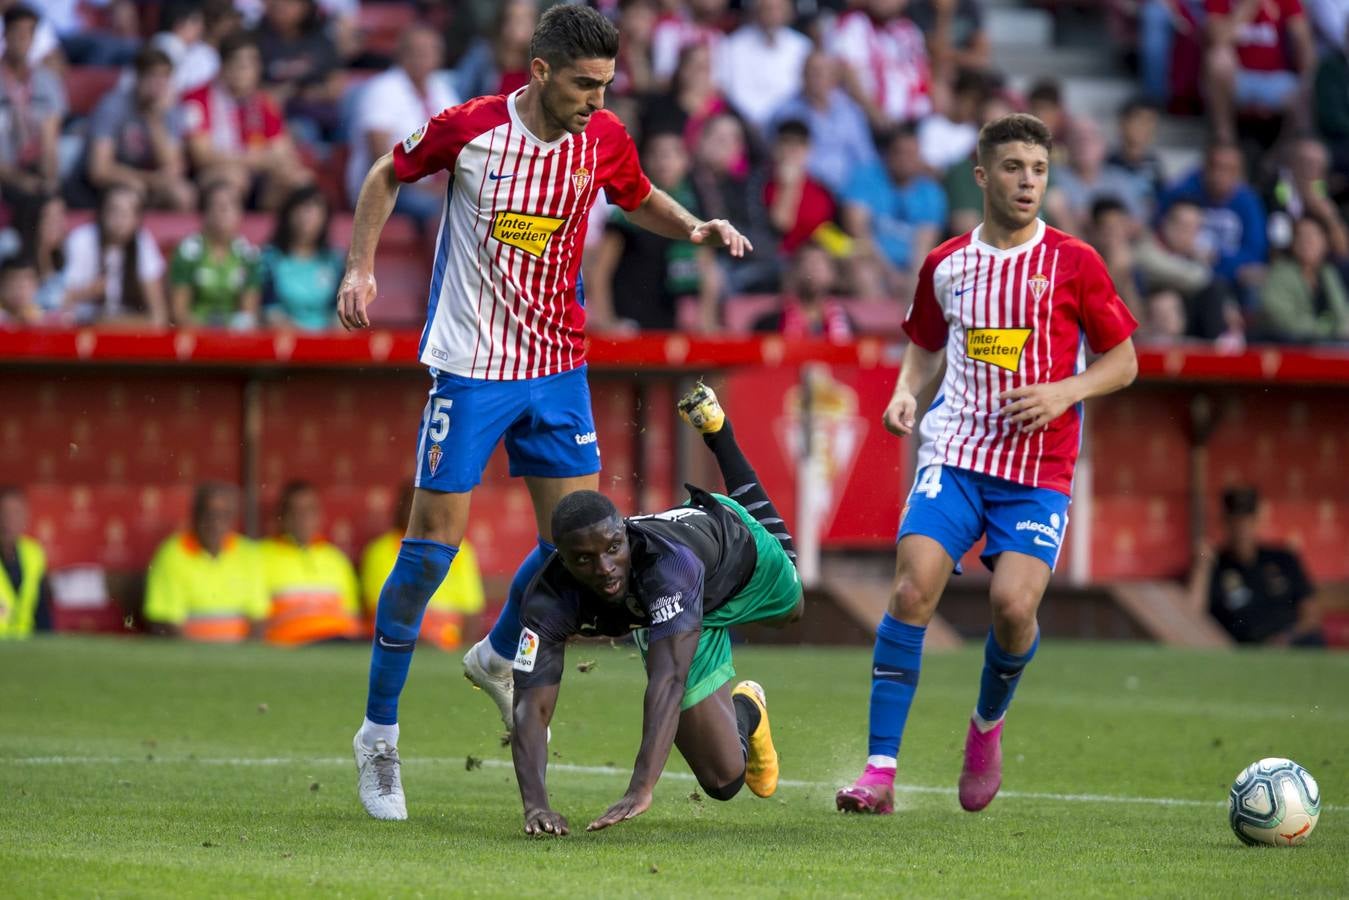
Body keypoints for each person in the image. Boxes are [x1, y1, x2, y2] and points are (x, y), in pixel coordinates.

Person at [338, 5, 753, 823]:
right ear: (538, 73)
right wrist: (359, 270)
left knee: (575, 545)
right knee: (428, 555)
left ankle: (498, 653)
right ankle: (377, 737)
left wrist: (693, 225)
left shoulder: (601, 138)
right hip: (469, 371)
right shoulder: (470, 129)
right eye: (584, 83)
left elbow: (636, 196)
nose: (598, 99)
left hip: (558, 369)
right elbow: (385, 174)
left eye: (606, 84)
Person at [835, 113, 1139, 816]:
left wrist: (1065, 389)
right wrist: (905, 393)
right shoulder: (946, 264)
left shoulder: (1074, 262)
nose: (1027, 180)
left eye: (1037, 168)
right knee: (911, 591)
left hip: (1038, 470)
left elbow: (1122, 360)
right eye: (1012, 167)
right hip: (956, 452)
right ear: (981, 176)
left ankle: (985, 727)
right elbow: (923, 342)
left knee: (1012, 608)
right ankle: (879, 771)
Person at [511, 384, 800, 836]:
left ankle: (720, 435)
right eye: (584, 559)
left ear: (625, 533)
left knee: (793, 606)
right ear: (562, 560)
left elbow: (667, 681)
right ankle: (749, 710)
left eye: (612, 548)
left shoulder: (668, 569)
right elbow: (531, 706)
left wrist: (640, 788)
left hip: (739, 556)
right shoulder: (547, 597)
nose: (605, 568)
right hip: (671, 609)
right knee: (724, 781)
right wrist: (535, 806)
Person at [585, 129, 724, 332]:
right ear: (645, 160)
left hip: (670, 323)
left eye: (673, 154)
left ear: (686, 161)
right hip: (630, 323)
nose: (664, 161)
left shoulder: (692, 210)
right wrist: (608, 323)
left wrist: (707, 320)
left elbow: (707, 269)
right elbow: (599, 273)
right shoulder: (628, 211)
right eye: (657, 154)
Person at [182, 32, 312, 211]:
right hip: (209, 175)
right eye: (240, 63)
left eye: (252, 63)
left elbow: (282, 152)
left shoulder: (264, 102)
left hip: (259, 177)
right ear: (223, 66)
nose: (246, 70)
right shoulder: (197, 99)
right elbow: (202, 156)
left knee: (300, 179)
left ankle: (270, 234)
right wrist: (257, 159)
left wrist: (276, 163)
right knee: (235, 177)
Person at [345, 26, 460, 229]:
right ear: (402, 54)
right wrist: (429, 188)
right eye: (418, 51)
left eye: (431, 51)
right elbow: (381, 157)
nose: (425, 57)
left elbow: (462, 144)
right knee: (444, 208)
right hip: (390, 188)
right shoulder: (382, 89)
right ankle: (437, 262)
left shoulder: (442, 89)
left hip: (436, 188)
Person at [1189, 486, 1323, 645]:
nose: (1242, 528)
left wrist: (1283, 640)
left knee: (1312, 640)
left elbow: (1311, 615)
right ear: (1225, 522)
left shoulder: (1283, 558)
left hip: (1289, 645)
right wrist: (1202, 567)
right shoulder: (1214, 564)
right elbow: (1191, 617)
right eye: (1235, 520)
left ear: (1258, 520)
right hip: (1243, 652)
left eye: (1248, 520)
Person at [360, 485, 485, 652]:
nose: (425, 511)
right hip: (402, 646)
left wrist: (459, 655)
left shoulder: (462, 550)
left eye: (433, 504)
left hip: (448, 649)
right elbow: (382, 613)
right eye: (416, 504)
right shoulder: (381, 550)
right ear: (402, 509)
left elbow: (472, 613)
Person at [143, 482, 268, 642]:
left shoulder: (248, 554)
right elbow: (165, 621)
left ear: (233, 519)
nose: (216, 522)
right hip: (189, 658)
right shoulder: (173, 553)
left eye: (224, 515)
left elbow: (258, 618)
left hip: (239, 657)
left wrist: (244, 658)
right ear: (195, 515)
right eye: (209, 514)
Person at [78, 46, 196, 212]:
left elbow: (174, 167)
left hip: (148, 181)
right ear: (138, 78)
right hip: (111, 183)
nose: (159, 84)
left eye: (164, 77)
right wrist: (149, 180)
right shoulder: (113, 106)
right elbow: (99, 170)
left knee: (183, 195)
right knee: (132, 191)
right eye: (153, 76)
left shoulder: (169, 109)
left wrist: (154, 120)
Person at [841, 124, 947, 301]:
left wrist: (911, 279)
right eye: (900, 153)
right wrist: (890, 274)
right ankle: (877, 328)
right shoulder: (866, 177)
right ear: (888, 154)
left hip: (909, 268)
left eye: (912, 154)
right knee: (864, 274)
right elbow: (858, 231)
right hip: (870, 260)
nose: (905, 160)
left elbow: (922, 248)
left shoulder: (930, 192)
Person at [1157, 141, 1269, 307]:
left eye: (1228, 169)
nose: (1219, 175)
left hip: (1231, 278)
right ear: (1204, 168)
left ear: (1239, 174)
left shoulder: (1249, 202)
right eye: (1214, 167)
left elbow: (1254, 253)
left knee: (1253, 284)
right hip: (1184, 269)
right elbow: (1161, 232)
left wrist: (1217, 260)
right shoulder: (1181, 191)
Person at [259, 480, 362, 646]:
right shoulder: (261, 556)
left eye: (309, 510)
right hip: (292, 647)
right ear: (282, 516)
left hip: (339, 645)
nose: (303, 518)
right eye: (296, 511)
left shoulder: (336, 559)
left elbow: (352, 620)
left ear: (319, 515)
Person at [1203, 0, 1316, 142]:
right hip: (1238, 79)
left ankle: (1284, 155)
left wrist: (1307, 75)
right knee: (1218, 58)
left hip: (1276, 80)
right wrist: (1249, 6)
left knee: (1309, 79)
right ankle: (1224, 139)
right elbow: (1218, 38)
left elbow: (1303, 40)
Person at [62, 185, 169, 328]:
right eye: (114, 211)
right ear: (102, 212)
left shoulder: (142, 242)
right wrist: (87, 292)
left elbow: (158, 315)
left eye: (127, 213)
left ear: (137, 219)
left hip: (124, 332)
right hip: (81, 328)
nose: (119, 219)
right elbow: (59, 301)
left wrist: (111, 322)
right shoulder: (81, 240)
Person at [0, 5, 65, 218]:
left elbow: (51, 141)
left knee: (50, 198)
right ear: (5, 35)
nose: (22, 40)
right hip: (6, 171)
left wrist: (48, 181)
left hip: (35, 167)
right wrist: (20, 180)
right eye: (17, 32)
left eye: (28, 34)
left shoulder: (47, 81)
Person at [169, 181, 262, 329]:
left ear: (240, 213)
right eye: (217, 206)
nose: (223, 211)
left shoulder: (248, 254)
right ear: (205, 213)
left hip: (234, 337)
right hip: (194, 333)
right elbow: (179, 312)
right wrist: (207, 337)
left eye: (230, 206)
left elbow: (248, 313)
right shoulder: (187, 252)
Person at [716, 0, 812, 136]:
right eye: (767, 8)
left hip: (790, 125)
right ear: (755, 11)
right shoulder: (733, 46)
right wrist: (752, 120)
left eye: (778, 8)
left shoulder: (802, 47)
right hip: (745, 125)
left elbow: (802, 91)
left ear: (789, 12)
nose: (772, 14)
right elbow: (727, 90)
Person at [261, 186, 343, 331]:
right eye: (302, 209)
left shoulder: (335, 261)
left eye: (314, 210)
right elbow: (269, 311)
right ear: (288, 214)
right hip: (281, 341)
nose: (307, 216)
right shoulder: (270, 258)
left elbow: (340, 313)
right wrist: (305, 340)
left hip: (327, 343)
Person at [1256, 216, 1349, 341]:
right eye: (1301, 236)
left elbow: (1342, 311)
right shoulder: (1280, 273)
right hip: (1292, 345)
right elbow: (1280, 317)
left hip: (1330, 343)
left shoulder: (1328, 272)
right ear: (1292, 242)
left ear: (1325, 243)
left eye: (1313, 236)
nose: (1307, 242)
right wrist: (1324, 331)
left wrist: (1342, 330)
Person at [752, 242, 853, 341]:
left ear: (832, 274)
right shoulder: (770, 325)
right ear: (794, 272)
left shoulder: (848, 324)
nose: (813, 270)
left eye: (820, 264)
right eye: (807, 263)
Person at [0, 485, 50, 638]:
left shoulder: (34, 553)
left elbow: (41, 610)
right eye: (4, 513)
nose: (9, 520)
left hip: (27, 648)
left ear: (25, 517)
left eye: (16, 513)